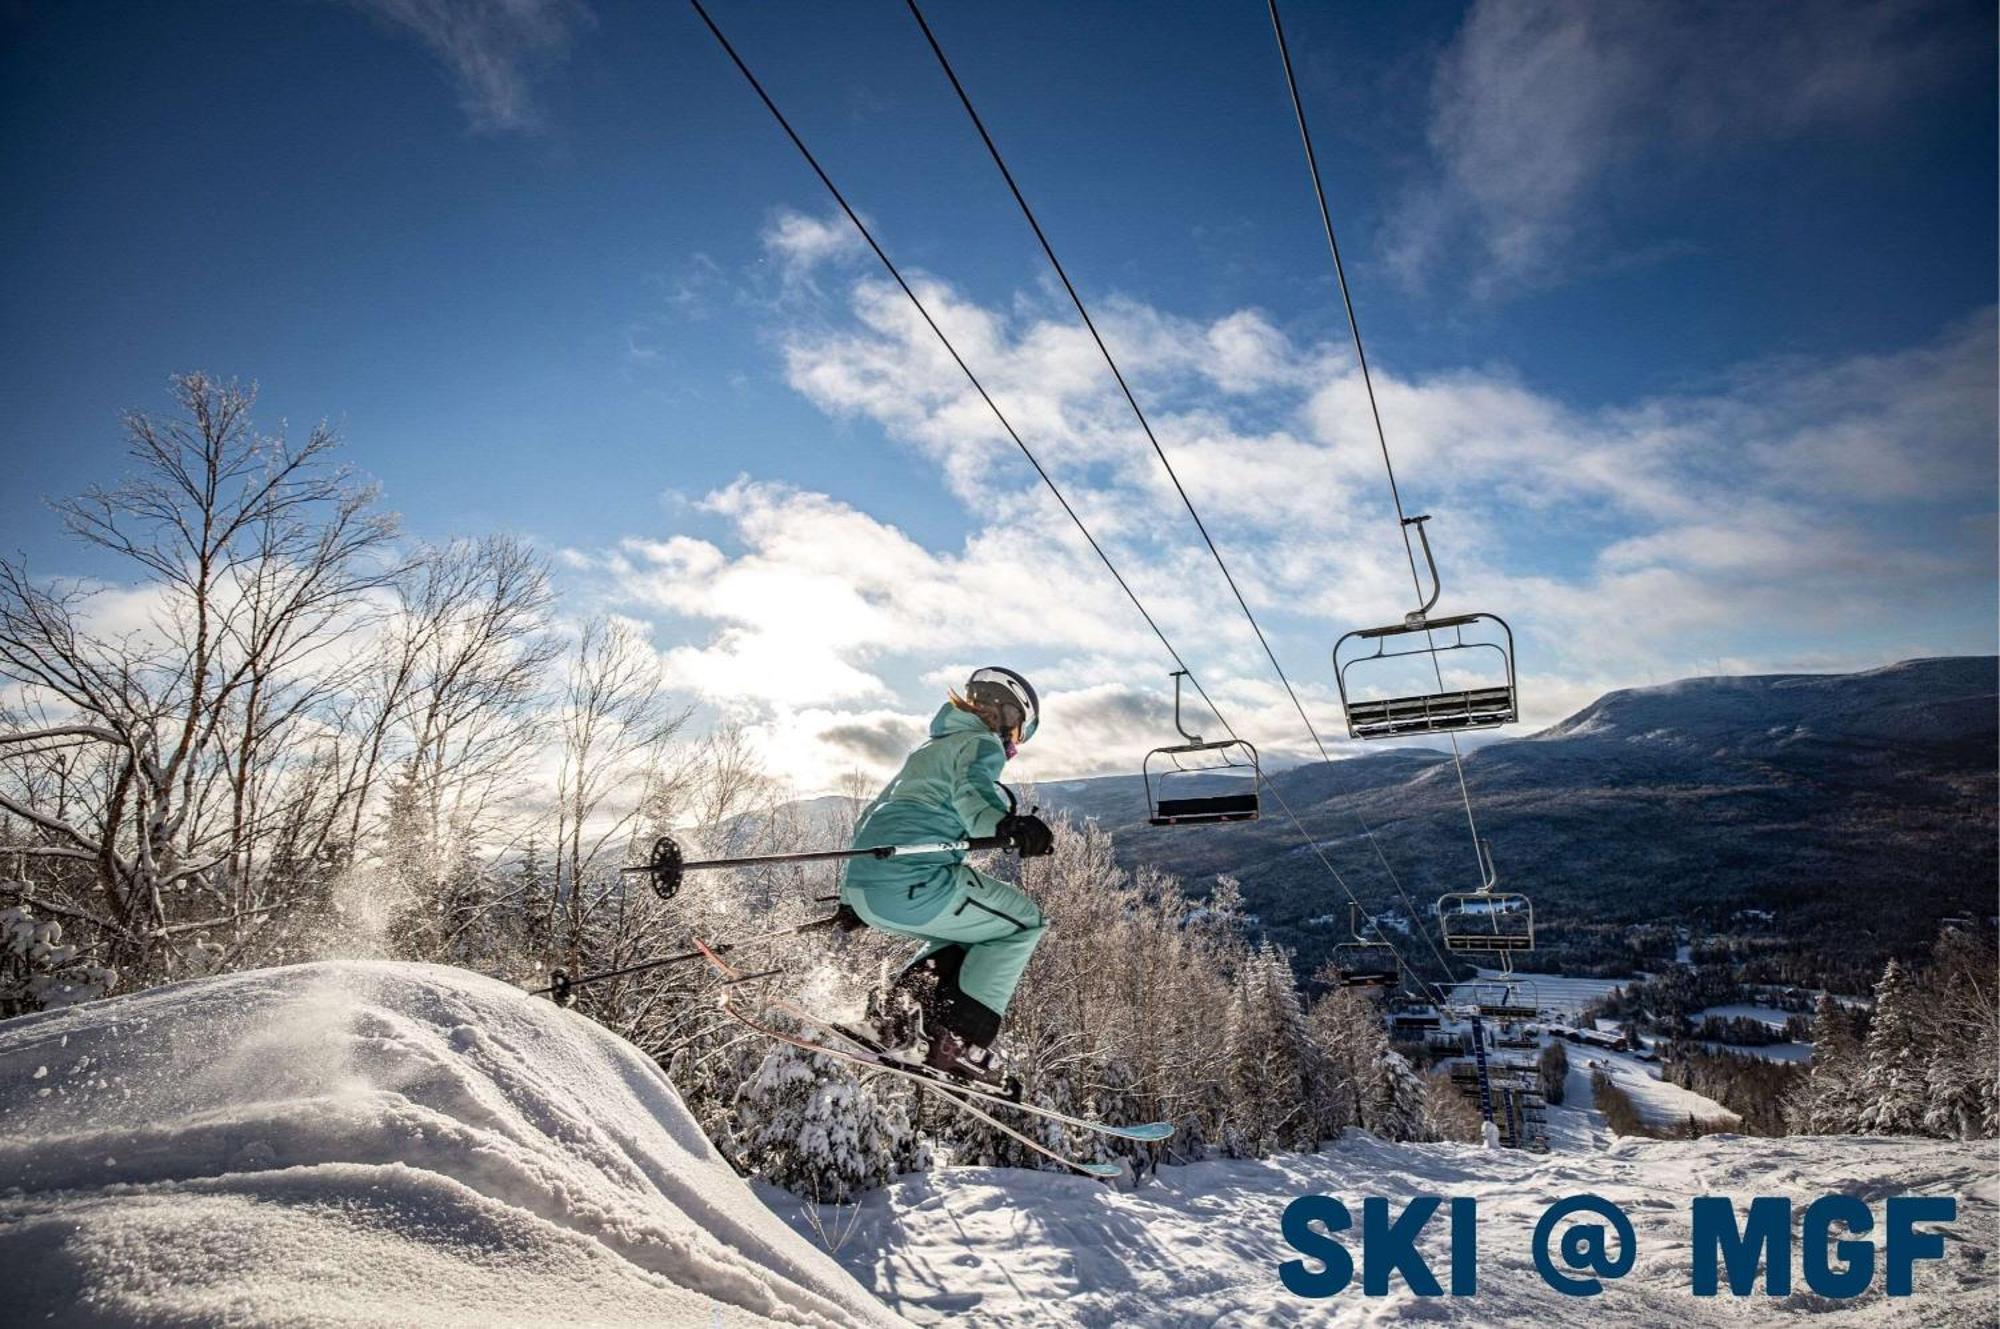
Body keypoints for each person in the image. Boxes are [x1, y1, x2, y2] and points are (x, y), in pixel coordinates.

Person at [840, 666, 1054, 1080]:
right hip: (914, 886)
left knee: (963, 929)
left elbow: (871, 815)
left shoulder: (926, 751)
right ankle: (957, 1040)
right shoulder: (980, 743)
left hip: (867, 889)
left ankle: (899, 1014)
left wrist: (852, 901)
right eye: (1018, 735)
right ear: (1008, 716)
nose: (1012, 747)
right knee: (1025, 923)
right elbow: (972, 790)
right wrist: (1005, 827)